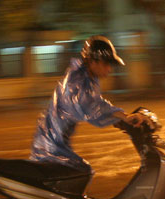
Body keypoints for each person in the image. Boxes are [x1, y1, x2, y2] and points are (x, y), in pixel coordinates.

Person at [30, 35, 150, 173]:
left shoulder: (87, 76)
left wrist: (120, 119)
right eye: (106, 64)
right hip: (50, 146)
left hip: (55, 141)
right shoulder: (77, 80)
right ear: (93, 61)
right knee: (82, 172)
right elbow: (91, 107)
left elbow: (96, 104)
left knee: (81, 171)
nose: (109, 69)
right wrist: (124, 116)